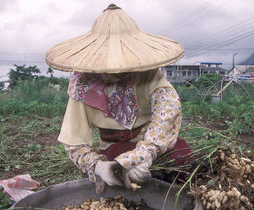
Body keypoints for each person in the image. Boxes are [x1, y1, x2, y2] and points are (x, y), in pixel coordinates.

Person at [45, 4, 193, 193]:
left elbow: (167, 112)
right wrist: (98, 166)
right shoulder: (82, 85)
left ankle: (178, 202)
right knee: (116, 174)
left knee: (182, 157)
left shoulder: (149, 75)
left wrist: (144, 156)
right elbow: (73, 141)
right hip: (114, 147)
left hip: (149, 142)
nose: (115, 70)